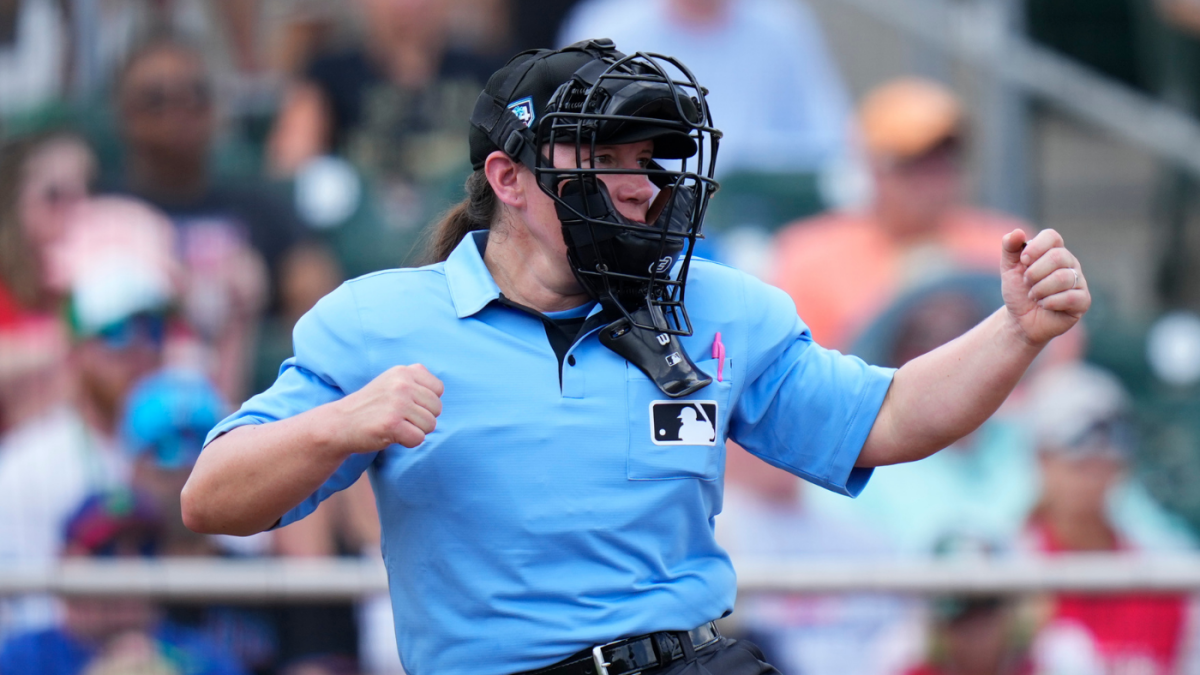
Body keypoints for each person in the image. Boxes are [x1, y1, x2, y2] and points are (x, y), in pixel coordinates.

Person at [183, 39, 1092, 675]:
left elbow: (887, 418)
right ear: (508, 178)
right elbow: (212, 498)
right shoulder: (377, 319)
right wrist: (340, 425)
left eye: (649, 156)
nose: (640, 182)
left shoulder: (719, 302)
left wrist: (1016, 330)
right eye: (606, 153)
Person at [0, 195, 178, 641]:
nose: (141, 349)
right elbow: (28, 616)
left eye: (154, 329)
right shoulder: (27, 464)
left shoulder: (198, 441)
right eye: (116, 333)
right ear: (77, 349)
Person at [770, 77, 1028, 351]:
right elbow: (798, 364)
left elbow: (1049, 351)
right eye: (913, 163)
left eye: (944, 159)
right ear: (871, 169)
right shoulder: (809, 257)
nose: (933, 178)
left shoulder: (1007, 242)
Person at [1021, 362, 1194, 675]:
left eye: (1104, 459)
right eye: (1077, 460)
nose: (1091, 475)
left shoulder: (1167, 573)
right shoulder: (1003, 569)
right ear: (1041, 459)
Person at [0, 489, 248, 675]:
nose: (129, 565)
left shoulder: (202, 659)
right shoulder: (22, 659)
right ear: (65, 560)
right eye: (106, 551)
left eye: (146, 548)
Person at [0, 130, 97, 431]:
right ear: (13, 201)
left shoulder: (96, 276)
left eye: (85, 193)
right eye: (55, 196)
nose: (78, 209)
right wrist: (77, 339)